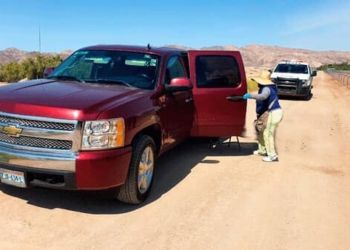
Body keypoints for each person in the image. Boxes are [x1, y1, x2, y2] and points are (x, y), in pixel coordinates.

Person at [243, 70, 283, 162]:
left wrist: (250, 95)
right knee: (262, 131)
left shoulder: (267, 88)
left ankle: (272, 156)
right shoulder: (266, 87)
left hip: (274, 113)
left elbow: (263, 97)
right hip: (271, 113)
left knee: (267, 133)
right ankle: (262, 150)